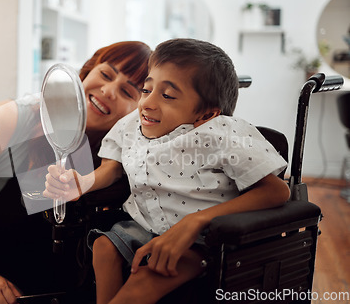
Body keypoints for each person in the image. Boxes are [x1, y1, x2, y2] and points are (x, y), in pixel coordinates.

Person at [44, 38, 290, 304]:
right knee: (104, 246)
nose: (147, 103)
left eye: (168, 96)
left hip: (205, 239)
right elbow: (112, 169)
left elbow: (277, 191)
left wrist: (195, 222)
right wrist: (82, 182)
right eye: (146, 90)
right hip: (143, 225)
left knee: (146, 279)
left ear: (207, 115)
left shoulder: (222, 133)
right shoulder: (130, 125)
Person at [0, 41, 151, 304]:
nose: (108, 91)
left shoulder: (127, 154)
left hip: (36, 279)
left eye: (127, 92)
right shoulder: (15, 119)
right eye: (105, 74)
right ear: (86, 72)